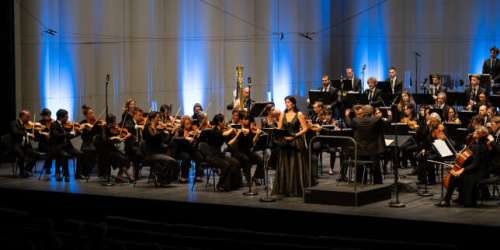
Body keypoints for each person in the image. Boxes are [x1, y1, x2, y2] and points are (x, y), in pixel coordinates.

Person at [437, 126, 490, 207]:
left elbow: (475, 164)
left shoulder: (479, 146)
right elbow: (471, 160)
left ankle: (448, 200)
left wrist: (462, 170)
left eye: (476, 132)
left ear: (481, 135)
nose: (474, 132)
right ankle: (454, 198)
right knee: (455, 175)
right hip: (477, 169)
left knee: (454, 176)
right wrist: (461, 157)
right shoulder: (477, 144)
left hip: (479, 172)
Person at [273, 96, 311, 197]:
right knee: (285, 165)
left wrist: (294, 136)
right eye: (285, 102)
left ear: (293, 103)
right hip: (285, 142)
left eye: (288, 102)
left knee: (295, 165)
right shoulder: (282, 114)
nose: (287, 104)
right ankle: (285, 189)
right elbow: (279, 128)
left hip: (296, 142)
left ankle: (296, 189)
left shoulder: (299, 114)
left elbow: (305, 128)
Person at [201, 114, 242, 191]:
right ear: (219, 122)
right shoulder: (214, 131)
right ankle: (220, 185)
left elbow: (229, 142)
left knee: (235, 162)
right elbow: (224, 134)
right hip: (212, 155)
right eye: (223, 121)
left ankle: (234, 184)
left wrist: (237, 135)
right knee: (226, 165)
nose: (225, 123)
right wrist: (232, 128)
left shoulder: (221, 130)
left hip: (219, 154)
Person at [344, 105, 385, 184]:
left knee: (360, 168)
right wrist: (385, 116)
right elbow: (385, 125)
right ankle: (378, 184)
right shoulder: (376, 120)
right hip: (373, 150)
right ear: (372, 112)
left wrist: (347, 116)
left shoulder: (356, 120)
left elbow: (349, 124)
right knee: (376, 169)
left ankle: (361, 183)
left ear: (364, 112)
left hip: (360, 150)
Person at [142, 112, 178, 186]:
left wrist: (171, 133)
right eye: (157, 117)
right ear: (152, 119)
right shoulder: (147, 128)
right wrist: (161, 131)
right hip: (151, 154)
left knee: (172, 160)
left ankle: (164, 179)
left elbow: (166, 141)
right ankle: (162, 180)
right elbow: (152, 137)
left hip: (159, 153)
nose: (159, 119)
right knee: (170, 161)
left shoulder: (157, 128)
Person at [49, 109, 81, 182]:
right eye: (66, 117)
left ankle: (78, 174)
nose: (68, 118)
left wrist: (77, 133)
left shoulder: (63, 125)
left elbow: (68, 137)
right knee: (64, 155)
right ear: (61, 117)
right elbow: (57, 135)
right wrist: (68, 133)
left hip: (67, 147)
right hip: (58, 147)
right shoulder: (54, 124)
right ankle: (66, 175)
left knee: (80, 154)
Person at [172, 116, 203, 183]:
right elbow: (174, 138)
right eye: (187, 124)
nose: (189, 125)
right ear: (183, 124)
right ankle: (184, 177)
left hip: (190, 150)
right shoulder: (179, 130)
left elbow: (196, 143)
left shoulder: (193, 130)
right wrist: (185, 138)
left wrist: (197, 138)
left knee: (199, 156)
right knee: (186, 157)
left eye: (190, 123)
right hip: (180, 151)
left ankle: (198, 176)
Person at [10, 110, 38, 178]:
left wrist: (34, 135)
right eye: (27, 117)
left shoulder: (26, 124)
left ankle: (26, 170)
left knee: (35, 155)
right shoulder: (14, 123)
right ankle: (22, 172)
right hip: (17, 145)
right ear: (22, 116)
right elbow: (15, 132)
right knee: (21, 155)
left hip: (25, 145)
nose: (29, 119)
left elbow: (31, 135)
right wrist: (27, 134)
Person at [37, 108, 53, 178]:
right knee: (50, 150)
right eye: (43, 116)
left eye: (46, 115)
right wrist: (42, 132)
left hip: (51, 143)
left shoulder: (53, 122)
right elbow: (37, 134)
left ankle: (58, 168)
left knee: (55, 149)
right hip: (43, 144)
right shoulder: (39, 123)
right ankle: (47, 168)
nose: (44, 117)